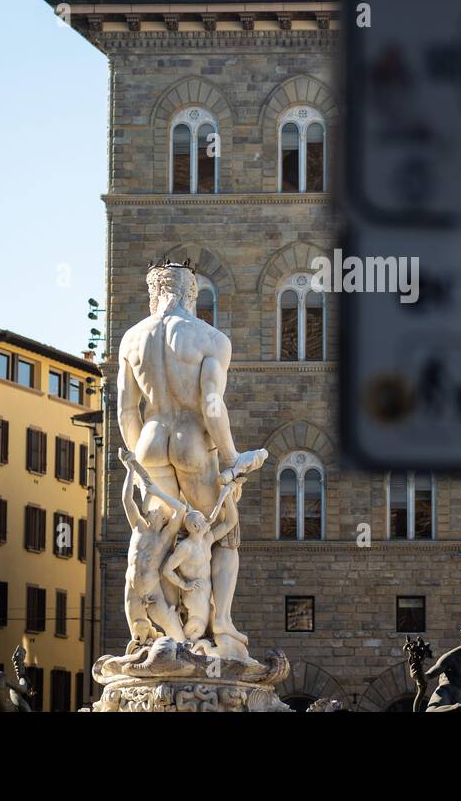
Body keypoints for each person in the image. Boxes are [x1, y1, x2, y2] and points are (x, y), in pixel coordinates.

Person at [117, 260, 266, 659]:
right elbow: (212, 406)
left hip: (150, 443)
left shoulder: (132, 339)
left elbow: (126, 412)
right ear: (191, 294)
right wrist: (232, 458)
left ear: (154, 294)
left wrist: (138, 467)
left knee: (162, 537)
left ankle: (166, 635)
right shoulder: (210, 339)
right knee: (223, 531)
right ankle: (221, 625)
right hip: (192, 443)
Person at [120, 447, 192, 646]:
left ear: (162, 518)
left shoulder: (165, 537)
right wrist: (130, 470)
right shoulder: (138, 527)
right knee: (137, 634)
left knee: (172, 627)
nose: (151, 511)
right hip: (132, 587)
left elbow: (181, 509)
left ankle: (188, 654)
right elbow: (127, 500)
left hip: (152, 590)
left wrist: (158, 492)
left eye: (156, 510)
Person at [161, 506, 238, 641]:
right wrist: (184, 585)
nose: (207, 520)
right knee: (198, 627)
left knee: (207, 627)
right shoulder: (185, 547)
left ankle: (190, 646)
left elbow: (229, 523)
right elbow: (167, 570)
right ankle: (182, 645)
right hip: (195, 594)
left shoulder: (207, 540)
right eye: (203, 519)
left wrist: (227, 497)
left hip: (206, 592)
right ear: (196, 526)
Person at [422, 622, 461, 711]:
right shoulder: (451, 657)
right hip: (447, 693)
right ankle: (453, 708)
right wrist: (417, 672)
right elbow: (428, 675)